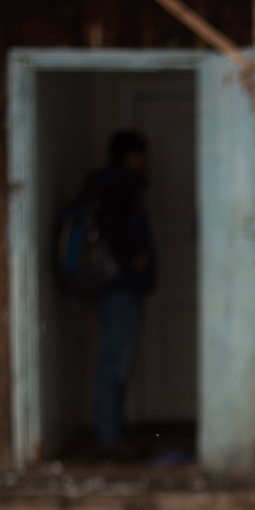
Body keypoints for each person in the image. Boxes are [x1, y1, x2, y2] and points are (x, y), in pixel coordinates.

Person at [86, 130, 155, 456]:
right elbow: (112, 227)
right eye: (143, 155)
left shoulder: (107, 183)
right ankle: (110, 437)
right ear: (131, 157)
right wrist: (134, 255)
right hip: (119, 288)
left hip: (111, 288)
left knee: (114, 362)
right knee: (115, 363)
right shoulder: (120, 186)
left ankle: (111, 432)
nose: (147, 163)